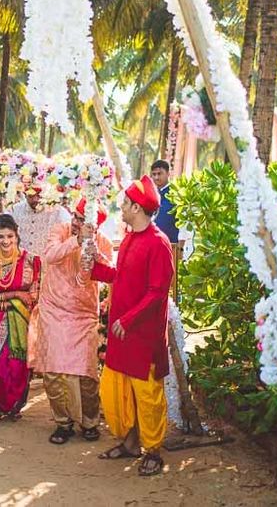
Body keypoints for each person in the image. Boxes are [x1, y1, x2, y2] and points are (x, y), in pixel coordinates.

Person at [86, 175, 174, 477]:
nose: (121, 207)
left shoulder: (159, 244)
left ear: (137, 208)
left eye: (125, 203)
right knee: (119, 392)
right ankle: (131, 442)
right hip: (122, 332)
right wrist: (95, 269)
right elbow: (120, 276)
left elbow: (157, 293)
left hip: (143, 336)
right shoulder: (129, 239)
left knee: (147, 396)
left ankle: (153, 451)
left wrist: (128, 319)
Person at [28, 198, 114, 444]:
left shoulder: (103, 242)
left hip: (83, 314)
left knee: (85, 371)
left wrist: (94, 251)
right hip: (54, 310)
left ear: (96, 227)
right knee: (54, 370)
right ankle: (62, 423)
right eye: (75, 218)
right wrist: (76, 241)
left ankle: (89, 421)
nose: (76, 223)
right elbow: (51, 255)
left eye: (83, 221)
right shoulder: (60, 231)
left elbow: (111, 272)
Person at [0, 214, 41, 425]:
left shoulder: (31, 260)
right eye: (1, 237)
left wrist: (9, 299)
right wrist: (14, 296)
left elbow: (33, 295)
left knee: (17, 364)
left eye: (10, 236)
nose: (6, 241)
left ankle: (13, 404)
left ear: (17, 236)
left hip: (22, 320)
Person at [6, 186, 69, 259]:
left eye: (39, 195)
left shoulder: (56, 210)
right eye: (31, 196)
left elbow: (69, 227)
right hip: (21, 261)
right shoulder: (15, 210)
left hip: (44, 263)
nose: (35, 199)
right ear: (25, 195)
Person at [149, 160, 179, 243]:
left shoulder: (176, 193)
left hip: (172, 244)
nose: (156, 177)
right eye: (154, 174)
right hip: (153, 243)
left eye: (160, 173)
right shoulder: (151, 194)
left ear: (168, 174)